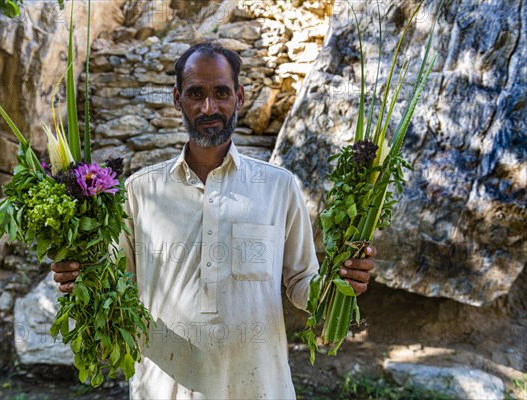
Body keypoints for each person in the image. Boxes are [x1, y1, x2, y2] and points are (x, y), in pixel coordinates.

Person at [52, 41, 376, 399]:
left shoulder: (277, 187)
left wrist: (340, 284)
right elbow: (111, 282)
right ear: (177, 98)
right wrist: (77, 274)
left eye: (221, 92)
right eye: (195, 93)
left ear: (239, 96)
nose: (209, 107)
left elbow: (302, 282)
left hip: (258, 388)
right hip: (165, 389)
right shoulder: (140, 192)